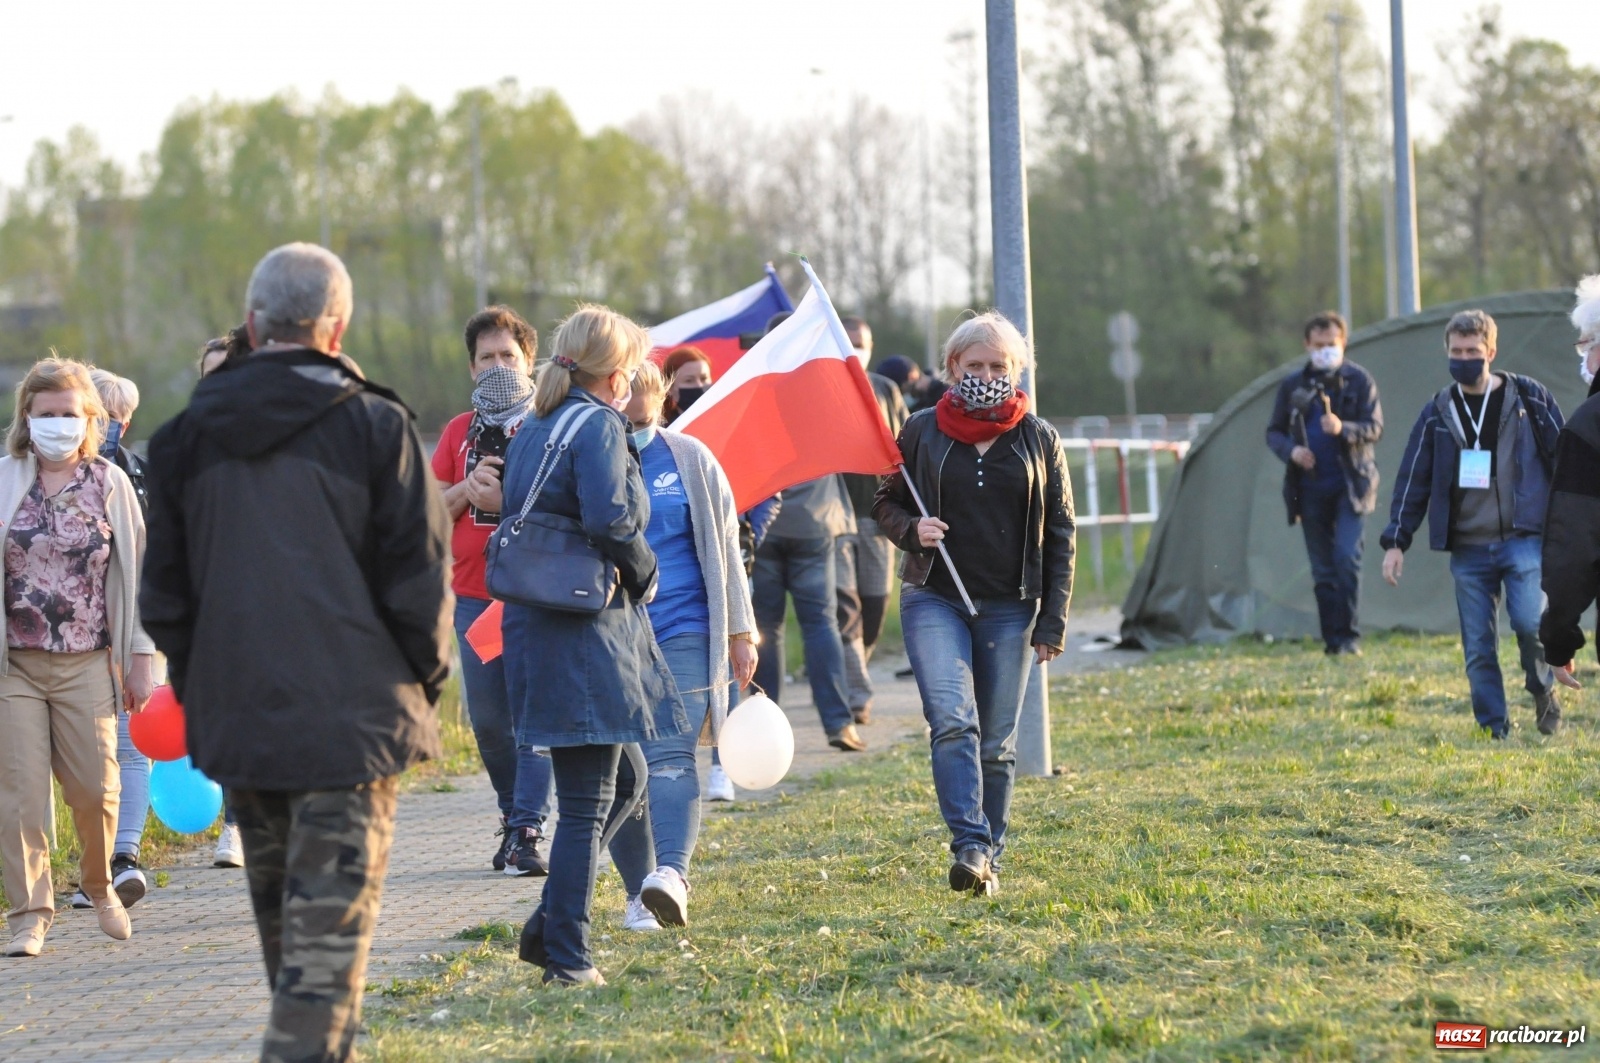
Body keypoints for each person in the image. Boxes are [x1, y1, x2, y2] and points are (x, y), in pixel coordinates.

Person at [141, 243, 452, 1060]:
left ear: (252, 325)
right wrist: (419, 686)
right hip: (351, 730)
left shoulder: (180, 440)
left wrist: (208, 688)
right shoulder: (377, 427)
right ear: (336, 329)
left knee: (300, 965)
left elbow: (164, 601)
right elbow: (421, 586)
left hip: (244, 728)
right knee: (320, 976)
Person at [503, 304, 686, 987]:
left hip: (541, 625)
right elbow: (610, 518)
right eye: (632, 367)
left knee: (626, 782)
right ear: (615, 374)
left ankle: (548, 928)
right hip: (585, 630)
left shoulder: (537, 425)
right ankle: (569, 958)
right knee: (587, 802)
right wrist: (645, 571)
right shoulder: (601, 425)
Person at [874, 312, 1074, 897]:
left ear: (1016, 370)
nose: (986, 376)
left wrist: (1053, 620)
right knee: (953, 720)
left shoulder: (1039, 438)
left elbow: (1061, 533)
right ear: (952, 367)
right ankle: (968, 844)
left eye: (998, 366)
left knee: (996, 741)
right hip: (934, 597)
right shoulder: (920, 430)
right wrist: (913, 530)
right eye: (974, 365)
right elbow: (884, 502)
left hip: (1011, 606)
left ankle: (990, 853)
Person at [0, 357, 153, 957]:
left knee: (96, 789)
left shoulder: (109, 483)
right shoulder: (6, 478)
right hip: (15, 665)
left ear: (89, 418)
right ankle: (29, 915)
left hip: (88, 661)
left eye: (69, 414)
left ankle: (98, 884)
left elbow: (137, 576)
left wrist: (140, 657)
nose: (57, 424)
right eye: (46, 414)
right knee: (21, 794)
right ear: (26, 417)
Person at [609, 362, 757, 930]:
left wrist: (740, 631)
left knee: (671, 756)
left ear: (661, 394)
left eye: (640, 387)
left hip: (686, 627)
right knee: (623, 769)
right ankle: (637, 893)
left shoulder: (691, 458)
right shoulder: (588, 455)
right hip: (611, 635)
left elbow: (726, 545)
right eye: (619, 385)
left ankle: (671, 875)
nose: (629, 397)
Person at [1380, 309, 1564, 739]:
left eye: (1472, 351)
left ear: (1491, 351)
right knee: (1479, 646)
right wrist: (1395, 542)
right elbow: (1413, 478)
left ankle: (1542, 689)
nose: (1464, 358)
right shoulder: (1437, 411)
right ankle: (1492, 727)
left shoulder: (1529, 398)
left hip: (1523, 537)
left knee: (1530, 625)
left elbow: (1564, 459)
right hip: (1468, 546)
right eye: (1456, 351)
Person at [432, 305, 554, 876]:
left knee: (533, 715)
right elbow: (428, 514)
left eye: (509, 355)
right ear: (472, 367)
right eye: (487, 358)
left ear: (529, 362)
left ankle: (528, 829)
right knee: (488, 720)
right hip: (474, 597)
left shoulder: (550, 422)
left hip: (535, 595)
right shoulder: (457, 432)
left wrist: (508, 501)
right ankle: (511, 814)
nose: (498, 366)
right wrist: (468, 488)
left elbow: (567, 506)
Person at [63, 369, 158, 911]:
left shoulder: (134, 476)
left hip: (130, 631)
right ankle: (94, 867)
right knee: (86, 760)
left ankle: (123, 858)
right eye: (106, 415)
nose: (114, 426)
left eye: (123, 417)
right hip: (72, 640)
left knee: (131, 746)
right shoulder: (51, 477)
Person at [749, 309, 864, 753]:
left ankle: (765, 726)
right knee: (821, 625)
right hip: (816, 522)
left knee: (766, 628)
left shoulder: (753, 387)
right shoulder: (822, 386)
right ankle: (839, 723)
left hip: (764, 524)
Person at [1265, 311, 1383, 656]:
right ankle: (1332, 641)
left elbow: (1375, 427)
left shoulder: (1360, 381)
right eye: (1318, 345)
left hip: (1352, 486)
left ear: (1343, 342)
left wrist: (1343, 429)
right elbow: (1273, 432)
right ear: (1307, 345)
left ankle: (1349, 636)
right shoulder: (1292, 385)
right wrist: (1292, 451)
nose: (1325, 351)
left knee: (1347, 558)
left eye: (1331, 344)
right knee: (1322, 569)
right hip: (1309, 488)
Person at [836, 317, 909, 724]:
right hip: (834, 518)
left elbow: (907, 444)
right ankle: (856, 693)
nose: (855, 349)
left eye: (861, 342)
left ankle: (852, 668)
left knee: (876, 604)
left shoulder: (884, 389)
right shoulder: (821, 386)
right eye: (847, 341)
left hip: (878, 516)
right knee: (844, 606)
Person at [1538, 275, 1600, 716]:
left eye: (1586, 347)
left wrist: (1558, 637)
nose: (1585, 358)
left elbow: (1574, 547)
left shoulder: (1587, 428)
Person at [661, 345, 713, 425]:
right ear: (670, 388)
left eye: (704, 378)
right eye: (689, 380)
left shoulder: (727, 421)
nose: (699, 385)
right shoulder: (662, 430)